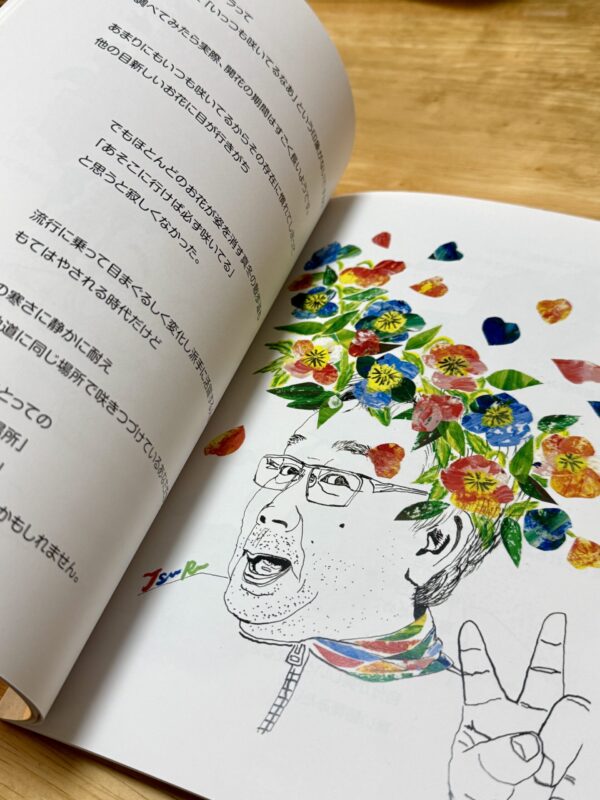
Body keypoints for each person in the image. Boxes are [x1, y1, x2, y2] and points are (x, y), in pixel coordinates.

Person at [224, 404, 590, 799]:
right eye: (287, 470)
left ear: (435, 543)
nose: (272, 510)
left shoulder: (470, 725)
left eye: (336, 481)